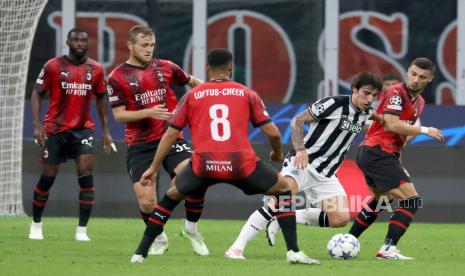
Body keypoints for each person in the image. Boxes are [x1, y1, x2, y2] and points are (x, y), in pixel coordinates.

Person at [130, 48, 319, 265]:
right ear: (230, 69)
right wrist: (276, 153)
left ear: (207, 69)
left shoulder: (191, 95)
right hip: (241, 164)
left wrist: (153, 168)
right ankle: (293, 252)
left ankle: (140, 253)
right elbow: (274, 133)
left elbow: (170, 135)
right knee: (284, 189)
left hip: (203, 165)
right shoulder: (247, 93)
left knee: (170, 196)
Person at [226, 72, 383, 258]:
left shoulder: (366, 113)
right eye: (366, 93)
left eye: (374, 96)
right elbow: (298, 120)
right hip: (302, 163)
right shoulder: (334, 104)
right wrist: (300, 149)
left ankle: (281, 219)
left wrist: (396, 124)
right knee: (278, 202)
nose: (370, 99)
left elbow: (380, 121)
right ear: (354, 89)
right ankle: (236, 248)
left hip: (326, 174)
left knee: (340, 219)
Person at [107, 25, 208, 256]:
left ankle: (191, 229)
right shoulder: (117, 77)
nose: (149, 49)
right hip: (140, 144)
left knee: (195, 177)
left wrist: (214, 91)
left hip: (171, 137)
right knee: (146, 202)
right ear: (130, 45)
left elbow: (192, 81)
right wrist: (149, 112)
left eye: (152, 45)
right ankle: (160, 238)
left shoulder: (167, 67)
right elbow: (119, 115)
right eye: (144, 45)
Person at [348, 57, 444, 260]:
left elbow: (401, 133)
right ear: (408, 71)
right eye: (413, 74)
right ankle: (388, 248)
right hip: (377, 151)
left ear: (430, 79)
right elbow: (391, 124)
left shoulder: (421, 102)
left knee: (383, 200)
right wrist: (425, 130)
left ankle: (348, 241)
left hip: (378, 153)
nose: (416, 79)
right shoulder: (396, 92)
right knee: (412, 200)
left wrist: (398, 155)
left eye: (422, 77)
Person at [29, 27, 115, 241]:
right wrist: (37, 125)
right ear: (67, 42)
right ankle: (36, 225)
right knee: (47, 179)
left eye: (83, 40)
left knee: (86, 174)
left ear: (88, 44)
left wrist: (106, 131)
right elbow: (37, 93)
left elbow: (102, 97)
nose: (79, 43)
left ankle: (82, 231)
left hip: (82, 129)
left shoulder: (96, 69)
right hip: (55, 129)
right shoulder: (53, 66)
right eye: (75, 39)